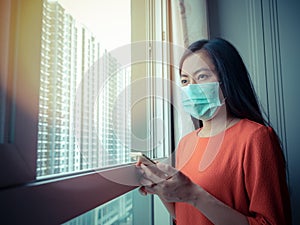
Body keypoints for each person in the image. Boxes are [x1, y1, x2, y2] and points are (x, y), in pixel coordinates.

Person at [136, 38, 292, 225]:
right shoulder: (186, 142)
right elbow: (185, 215)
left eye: (202, 76)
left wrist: (194, 194)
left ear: (227, 79)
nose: (191, 88)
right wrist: (158, 185)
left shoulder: (256, 138)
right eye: (185, 80)